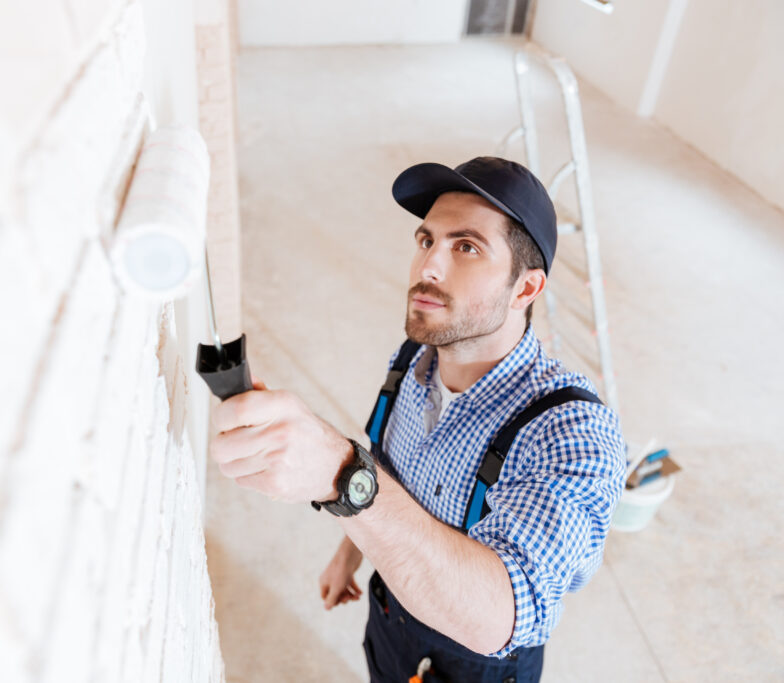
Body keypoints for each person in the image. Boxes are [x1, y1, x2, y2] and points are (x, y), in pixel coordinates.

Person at [209, 156, 627, 683]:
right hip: (391, 615)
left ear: (525, 288)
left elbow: (504, 611)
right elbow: (388, 467)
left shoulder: (571, 432)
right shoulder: (413, 359)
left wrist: (341, 476)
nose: (427, 267)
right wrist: (351, 551)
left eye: (466, 247)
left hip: (476, 664)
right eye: (427, 240)